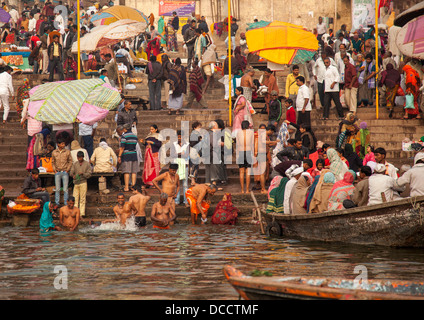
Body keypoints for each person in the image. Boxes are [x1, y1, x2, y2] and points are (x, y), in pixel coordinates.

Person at [70, 151, 91, 217]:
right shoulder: (75, 164)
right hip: (76, 183)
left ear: (83, 157)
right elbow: (71, 172)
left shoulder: (87, 164)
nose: (79, 159)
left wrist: (83, 173)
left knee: (82, 198)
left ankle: (82, 213)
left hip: (83, 182)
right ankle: (75, 212)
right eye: (78, 158)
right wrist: (73, 175)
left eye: (80, 157)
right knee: (75, 198)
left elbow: (89, 174)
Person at [118, 124, 139, 192]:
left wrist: (119, 156)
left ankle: (126, 187)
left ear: (125, 129)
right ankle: (133, 186)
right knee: (133, 171)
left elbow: (122, 148)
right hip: (134, 154)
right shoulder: (135, 136)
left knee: (126, 171)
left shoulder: (124, 136)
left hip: (126, 155)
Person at [52, 138, 73, 206]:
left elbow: (70, 161)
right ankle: (57, 203)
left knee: (65, 189)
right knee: (57, 189)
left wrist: (67, 169)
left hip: (64, 172)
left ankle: (65, 203)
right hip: (57, 172)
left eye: (64, 144)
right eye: (62, 144)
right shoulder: (54, 152)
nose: (63, 145)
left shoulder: (67, 152)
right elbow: (53, 162)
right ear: (58, 144)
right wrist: (54, 170)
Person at [171, 132, 190, 206]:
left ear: (183, 136)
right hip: (176, 166)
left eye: (180, 137)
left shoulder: (187, 144)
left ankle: (186, 201)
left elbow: (186, 155)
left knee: (185, 185)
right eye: (178, 137)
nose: (179, 138)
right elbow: (172, 154)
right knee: (176, 184)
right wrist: (181, 153)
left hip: (185, 165)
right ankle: (177, 201)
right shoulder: (174, 144)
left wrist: (177, 153)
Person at [236, 120, 254, 194]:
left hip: (240, 152)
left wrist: (237, 155)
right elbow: (252, 144)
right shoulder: (251, 132)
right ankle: (247, 190)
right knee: (248, 172)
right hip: (249, 152)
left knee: (241, 172)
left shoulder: (238, 133)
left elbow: (237, 145)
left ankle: (242, 190)